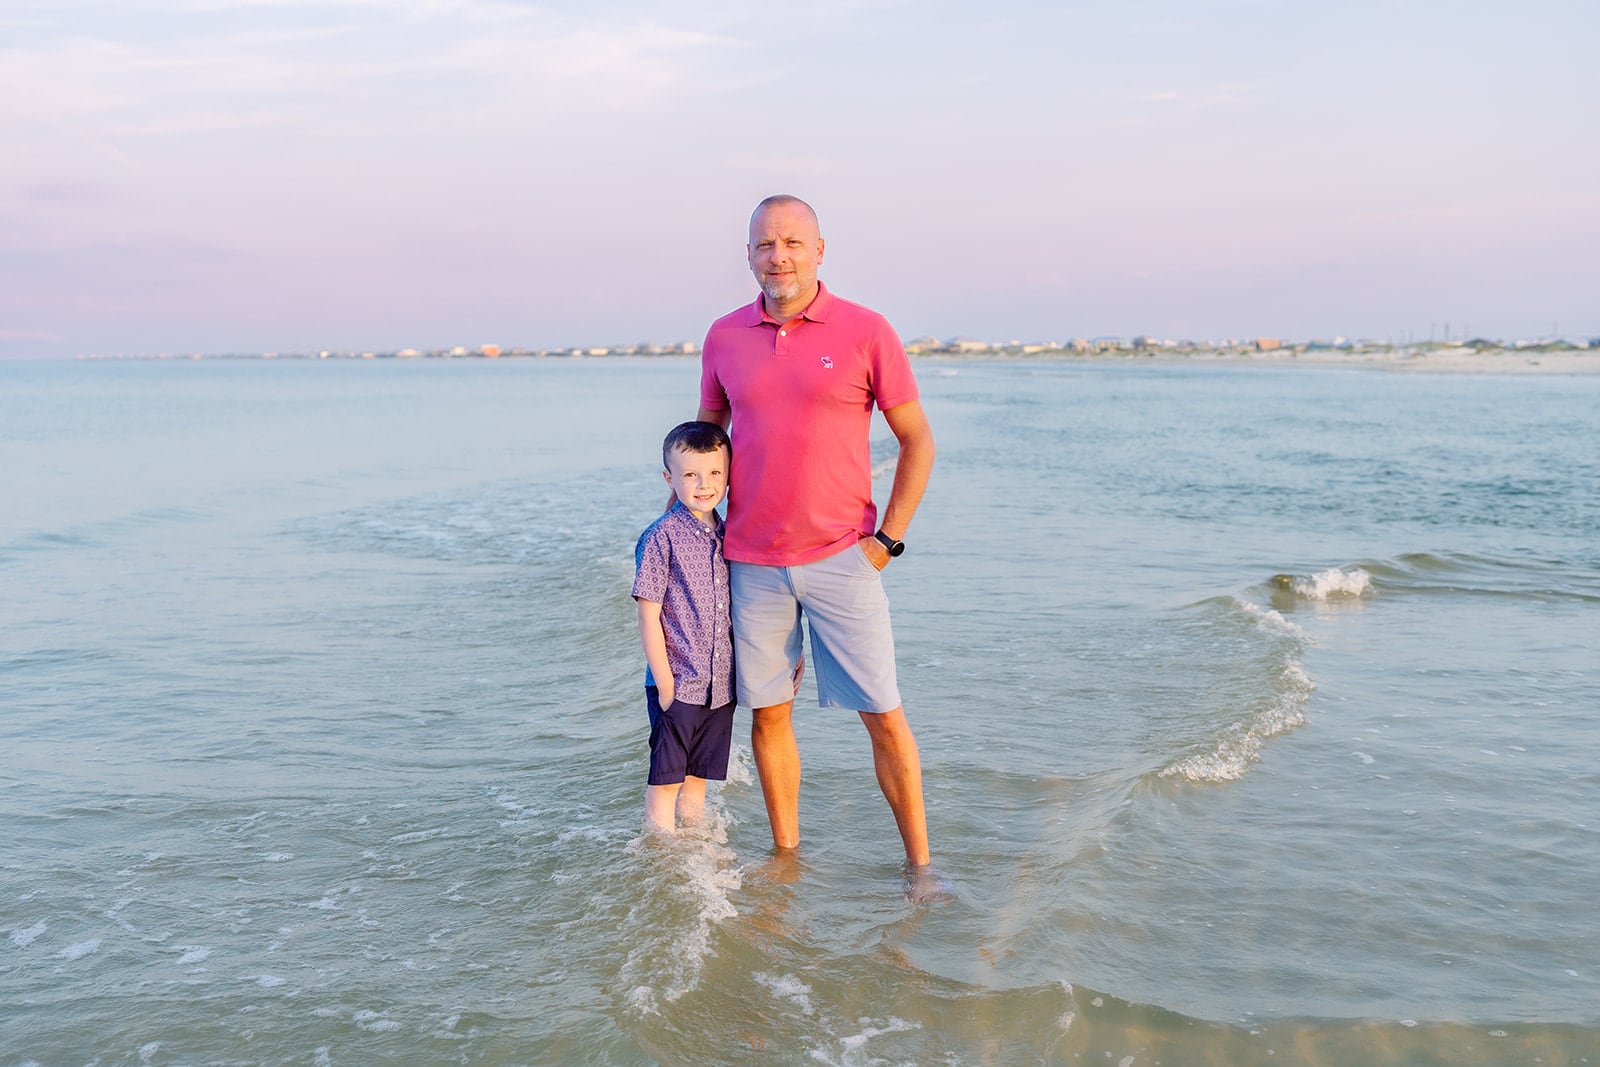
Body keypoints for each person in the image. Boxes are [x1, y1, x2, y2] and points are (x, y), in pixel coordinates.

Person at [695, 194, 939, 890]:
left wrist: (886, 541)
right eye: (765, 244)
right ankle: (787, 861)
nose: (779, 256)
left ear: (820, 250)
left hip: (844, 558)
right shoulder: (723, 336)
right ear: (748, 255)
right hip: (751, 563)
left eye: (793, 242)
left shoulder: (867, 330)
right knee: (769, 715)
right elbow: (705, 444)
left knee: (884, 716)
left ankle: (921, 868)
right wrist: (680, 542)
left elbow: (917, 440)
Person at [632, 421, 736, 833]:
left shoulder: (729, 533)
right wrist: (665, 683)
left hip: (719, 687)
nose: (704, 484)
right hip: (677, 682)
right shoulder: (661, 537)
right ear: (669, 479)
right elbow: (648, 615)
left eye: (714, 473)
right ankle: (661, 854)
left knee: (697, 778)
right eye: (690, 474)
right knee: (666, 781)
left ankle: (694, 848)